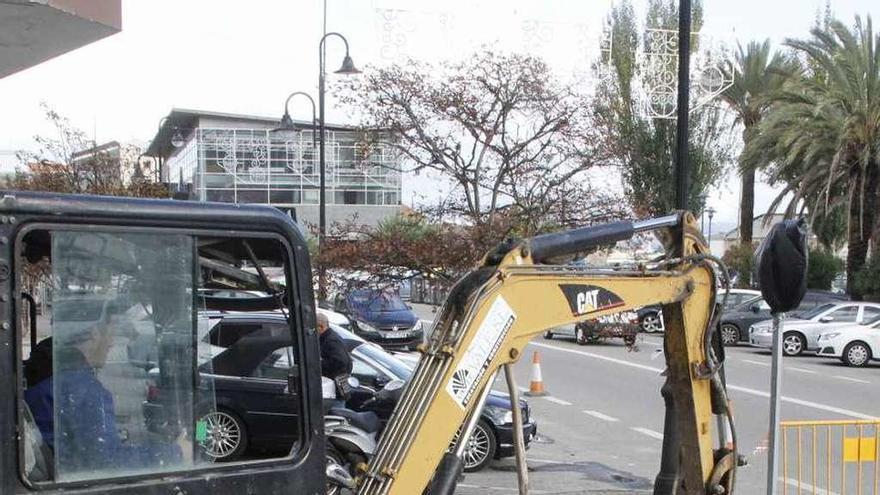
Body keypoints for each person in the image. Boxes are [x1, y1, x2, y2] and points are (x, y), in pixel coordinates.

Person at [23, 299, 184, 478]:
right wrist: (175, 453)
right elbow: (106, 462)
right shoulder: (81, 389)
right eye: (111, 330)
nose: (112, 342)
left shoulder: (45, 374)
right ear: (94, 332)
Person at [317, 312, 351, 380]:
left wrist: (317, 364)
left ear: (321, 327)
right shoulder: (331, 337)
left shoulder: (331, 341)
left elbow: (341, 362)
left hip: (333, 381)